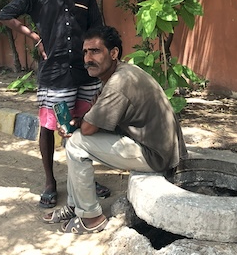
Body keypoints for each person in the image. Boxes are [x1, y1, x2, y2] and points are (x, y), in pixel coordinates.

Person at [0, 0, 110, 208]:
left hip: (84, 73)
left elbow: (96, 29)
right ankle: (50, 182)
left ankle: (83, 177)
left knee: (84, 127)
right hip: (54, 74)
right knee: (49, 127)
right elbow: (5, 14)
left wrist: (101, 62)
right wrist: (34, 36)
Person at [43, 25, 187, 234]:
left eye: (95, 51)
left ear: (113, 53)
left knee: (76, 143)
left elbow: (89, 129)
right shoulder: (120, 73)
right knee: (75, 137)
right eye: (85, 52)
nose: (87, 58)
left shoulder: (119, 82)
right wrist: (80, 121)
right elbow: (93, 120)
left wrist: (80, 123)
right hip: (153, 146)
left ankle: (91, 217)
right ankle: (76, 206)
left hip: (157, 156)